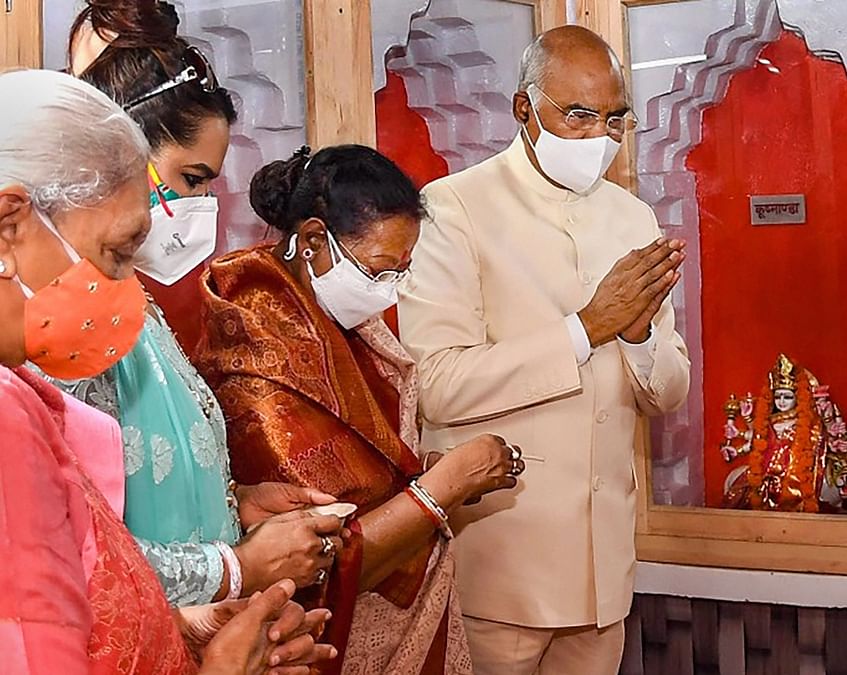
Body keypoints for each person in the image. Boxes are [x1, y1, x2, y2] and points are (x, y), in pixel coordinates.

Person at [0, 67, 333, 675]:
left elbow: (90, 581)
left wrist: (181, 627)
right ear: (9, 226)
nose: (126, 282)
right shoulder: (10, 411)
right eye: (115, 253)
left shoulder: (23, 382)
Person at [396, 26, 691, 673]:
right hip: (503, 570)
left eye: (615, 118)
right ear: (524, 108)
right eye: (578, 114)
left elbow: (668, 391)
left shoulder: (632, 217)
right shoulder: (453, 209)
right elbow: (434, 384)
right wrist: (584, 327)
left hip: (605, 572)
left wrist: (638, 333)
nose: (598, 137)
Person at [48, 0, 345, 608]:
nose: (203, 205)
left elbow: (142, 484)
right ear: (120, 156)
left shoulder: (134, 303)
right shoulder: (59, 321)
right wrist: (235, 567)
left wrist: (235, 505)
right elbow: (72, 552)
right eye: (192, 179)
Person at [195, 144, 523, 674]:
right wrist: (445, 488)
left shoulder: (347, 324)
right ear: (313, 241)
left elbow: (377, 469)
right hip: (316, 643)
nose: (390, 292)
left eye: (403, 271)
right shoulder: (257, 356)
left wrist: (424, 476)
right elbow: (314, 556)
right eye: (379, 271)